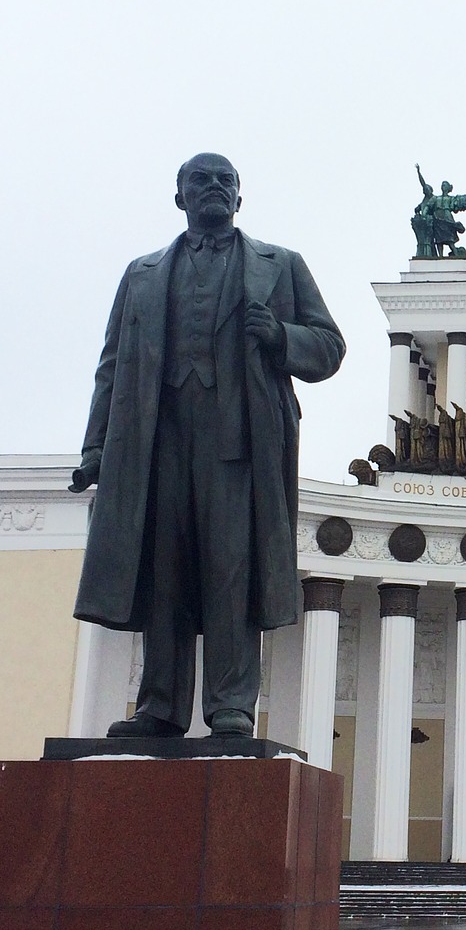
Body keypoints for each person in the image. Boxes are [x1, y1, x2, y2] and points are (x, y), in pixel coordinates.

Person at [69, 154, 345, 738]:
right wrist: (95, 449)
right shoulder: (142, 274)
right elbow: (112, 366)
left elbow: (329, 347)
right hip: (158, 440)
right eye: (202, 179)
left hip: (239, 443)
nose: (215, 187)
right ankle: (160, 706)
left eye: (227, 181)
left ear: (240, 199)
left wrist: (280, 335)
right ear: (180, 198)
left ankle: (230, 705)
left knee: (230, 570)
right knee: (164, 572)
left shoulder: (280, 265)